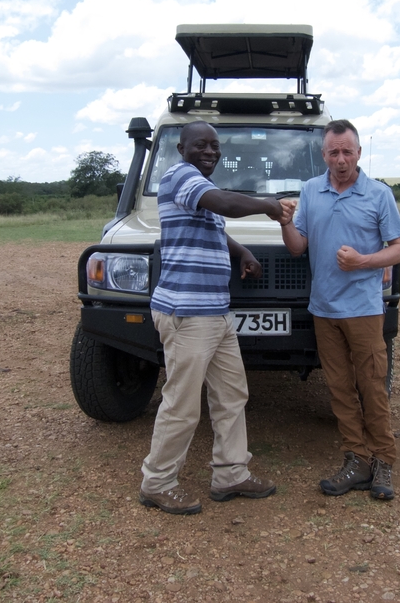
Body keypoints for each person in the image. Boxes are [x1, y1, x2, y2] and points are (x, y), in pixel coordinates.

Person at [140, 120, 295, 515]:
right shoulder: (180, 176)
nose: (210, 151)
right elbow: (225, 205)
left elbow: (213, 224)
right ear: (181, 149)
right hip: (188, 314)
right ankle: (157, 482)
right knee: (182, 404)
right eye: (201, 145)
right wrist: (269, 205)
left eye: (215, 146)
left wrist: (241, 251)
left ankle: (230, 473)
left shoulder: (199, 190)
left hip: (215, 313)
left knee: (231, 395)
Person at [279, 119, 400, 500]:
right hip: (324, 309)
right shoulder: (310, 191)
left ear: (359, 153)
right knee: (339, 389)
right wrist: (286, 223)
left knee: (371, 385)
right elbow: (297, 247)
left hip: (364, 309)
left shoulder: (379, 194)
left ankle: (384, 460)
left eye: (347, 151)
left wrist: (364, 261)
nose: (340, 159)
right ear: (323, 154)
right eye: (333, 152)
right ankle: (357, 459)